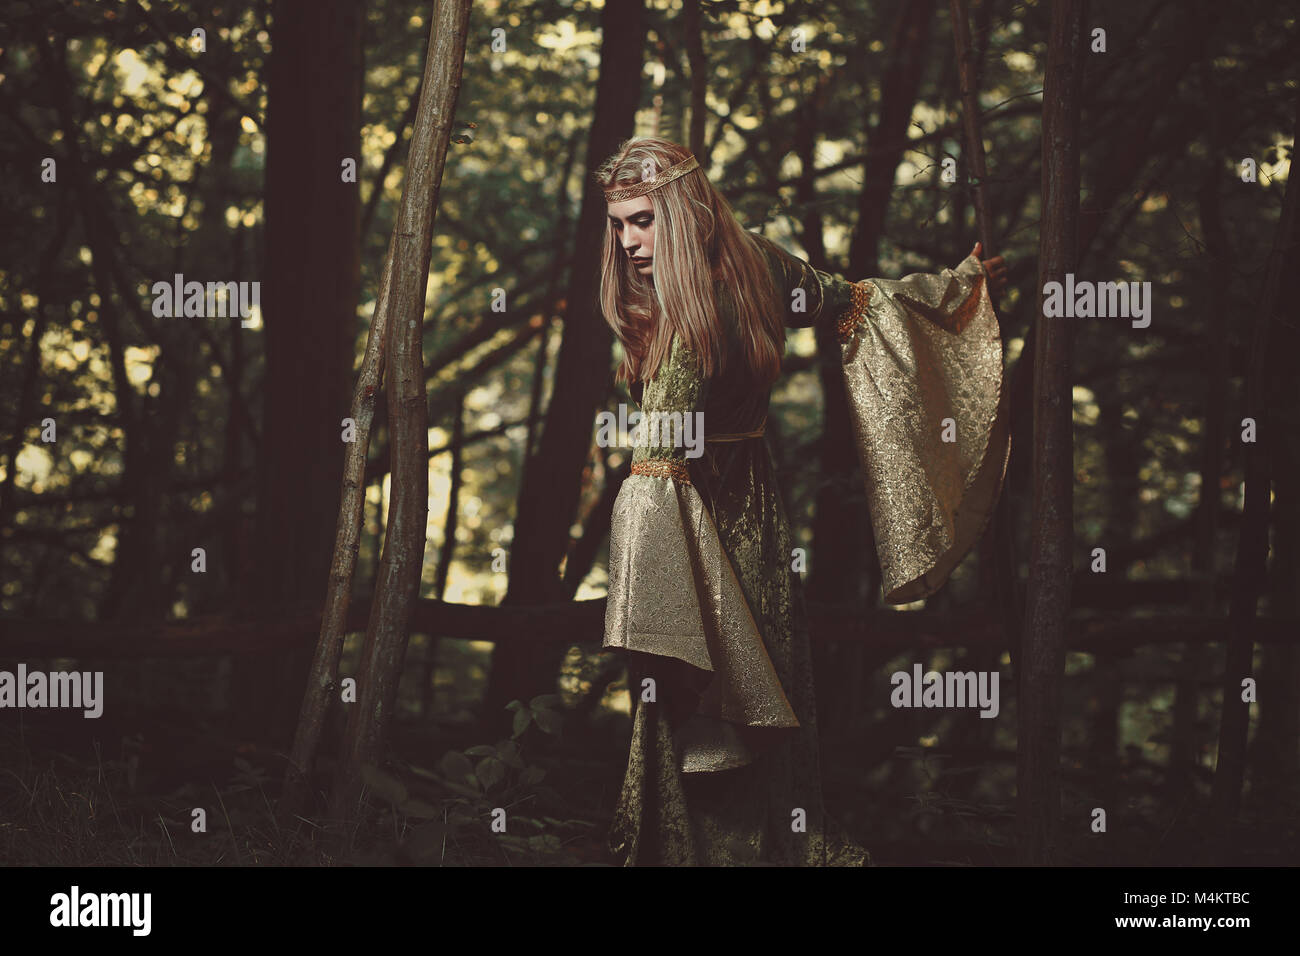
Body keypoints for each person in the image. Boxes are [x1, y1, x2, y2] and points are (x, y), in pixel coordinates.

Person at [596, 136, 1011, 866]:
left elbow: (654, 472)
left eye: (644, 220)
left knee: (698, 697)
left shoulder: (691, 325)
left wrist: (642, 604)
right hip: (755, 504)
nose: (630, 242)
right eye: (620, 223)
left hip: (700, 527)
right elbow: (855, 298)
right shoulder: (758, 258)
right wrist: (960, 286)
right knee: (756, 688)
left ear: (684, 211)